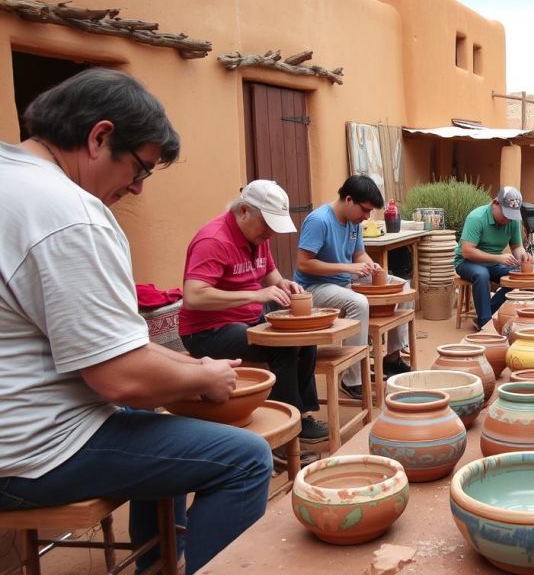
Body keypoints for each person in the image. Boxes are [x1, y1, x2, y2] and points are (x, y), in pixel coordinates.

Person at [0, 68, 271, 574]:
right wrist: (205, 373)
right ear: (99, 137)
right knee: (246, 459)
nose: (139, 189)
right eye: (140, 169)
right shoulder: (68, 212)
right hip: (28, 452)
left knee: (158, 427)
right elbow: (122, 378)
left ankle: (156, 560)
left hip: (20, 430)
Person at [178, 179, 328, 451]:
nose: (271, 232)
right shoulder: (213, 240)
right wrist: (256, 295)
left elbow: (270, 276)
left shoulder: (258, 237)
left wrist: (284, 285)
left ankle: (301, 415)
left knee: (304, 336)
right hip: (207, 331)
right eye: (267, 224)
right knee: (281, 347)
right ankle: (286, 433)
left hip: (247, 322)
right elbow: (193, 296)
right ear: (244, 210)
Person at [294, 175, 412, 396]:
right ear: (349, 200)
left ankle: (392, 357)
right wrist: (347, 268)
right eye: (365, 210)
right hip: (314, 287)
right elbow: (304, 264)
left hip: (343, 281)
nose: (367, 217)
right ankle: (351, 378)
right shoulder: (319, 220)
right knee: (359, 302)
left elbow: (359, 254)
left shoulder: (353, 222)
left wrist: (371, 266)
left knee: (402, 287)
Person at [455, 186, 532, 332]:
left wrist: (523, 256)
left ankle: (484, 313)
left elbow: (516, 246)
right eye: (505, 214)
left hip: (494, 262)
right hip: (467, 262)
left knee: (518, 275)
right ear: (495, 203)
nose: (508, 219)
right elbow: (467, 251)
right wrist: (499, 258)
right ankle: (485, 324)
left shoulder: (513, 220)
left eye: (511, 215)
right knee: (481, 274)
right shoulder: (477, 217)